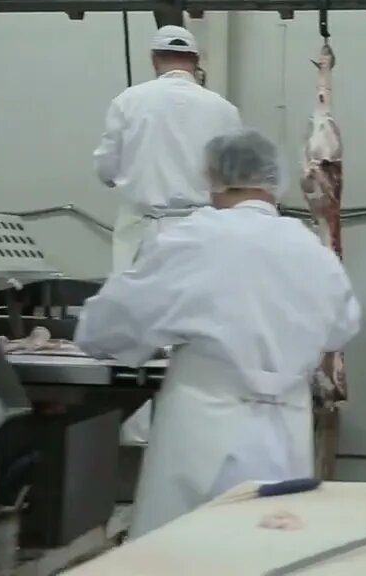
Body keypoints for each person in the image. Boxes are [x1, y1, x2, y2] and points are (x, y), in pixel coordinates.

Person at [75, 128, 361, 539]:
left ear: (211, 176)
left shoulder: (194, 237)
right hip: (287, 435)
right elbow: (343, 327)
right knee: (272, 548)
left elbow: (112, 323)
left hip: (204, 430)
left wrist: (101, 335)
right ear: (273, 181)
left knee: (186, 554)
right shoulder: (310, 248)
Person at [91, 24, 242, 445]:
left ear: (156, 60)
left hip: (144, 229)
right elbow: (233, 178)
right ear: (196, 63)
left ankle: (136, 444)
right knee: (194, 337)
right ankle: (189, 435)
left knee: (137, 335)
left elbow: (105, 170)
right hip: (202, 232)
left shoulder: (128, 101)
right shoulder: (224, 110)